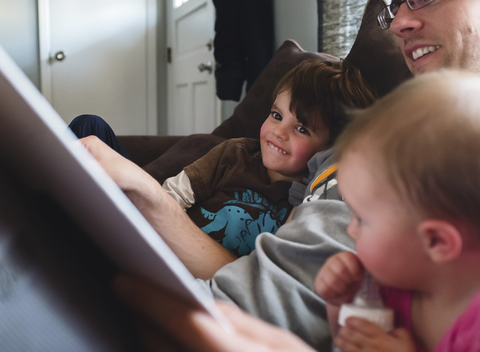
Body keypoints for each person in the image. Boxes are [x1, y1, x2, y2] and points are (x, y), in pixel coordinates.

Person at [81, 0, 480, 350]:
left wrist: (149, 202)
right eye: (397, 4)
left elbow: (249, 306)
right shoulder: (364, 152)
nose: (397, 23)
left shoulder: (408, 170)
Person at [315, 70, 480, 352]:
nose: (350, 229)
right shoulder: (393, 281)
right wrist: (341, 303)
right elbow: (343, 343)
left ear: (436, 241)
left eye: (362, 219)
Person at [162, 60, 376, 256]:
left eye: (301, 129)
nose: (279, 132)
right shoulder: (235, 154)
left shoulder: (307, 202)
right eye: (276, 116)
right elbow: (171, 195)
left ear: (330, 149)